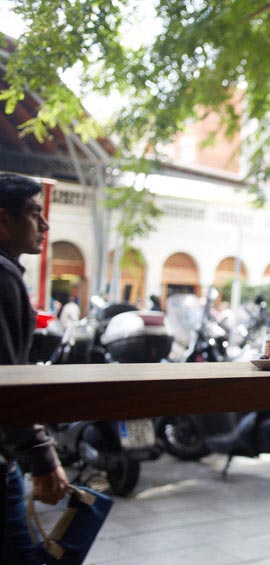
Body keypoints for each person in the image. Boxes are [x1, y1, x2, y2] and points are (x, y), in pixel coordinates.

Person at [0, 174, 69, 564]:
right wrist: (42, 459)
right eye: (33, 214)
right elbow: (9, 380)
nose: (44, 225)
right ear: (2, 220)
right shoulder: (3, 275)